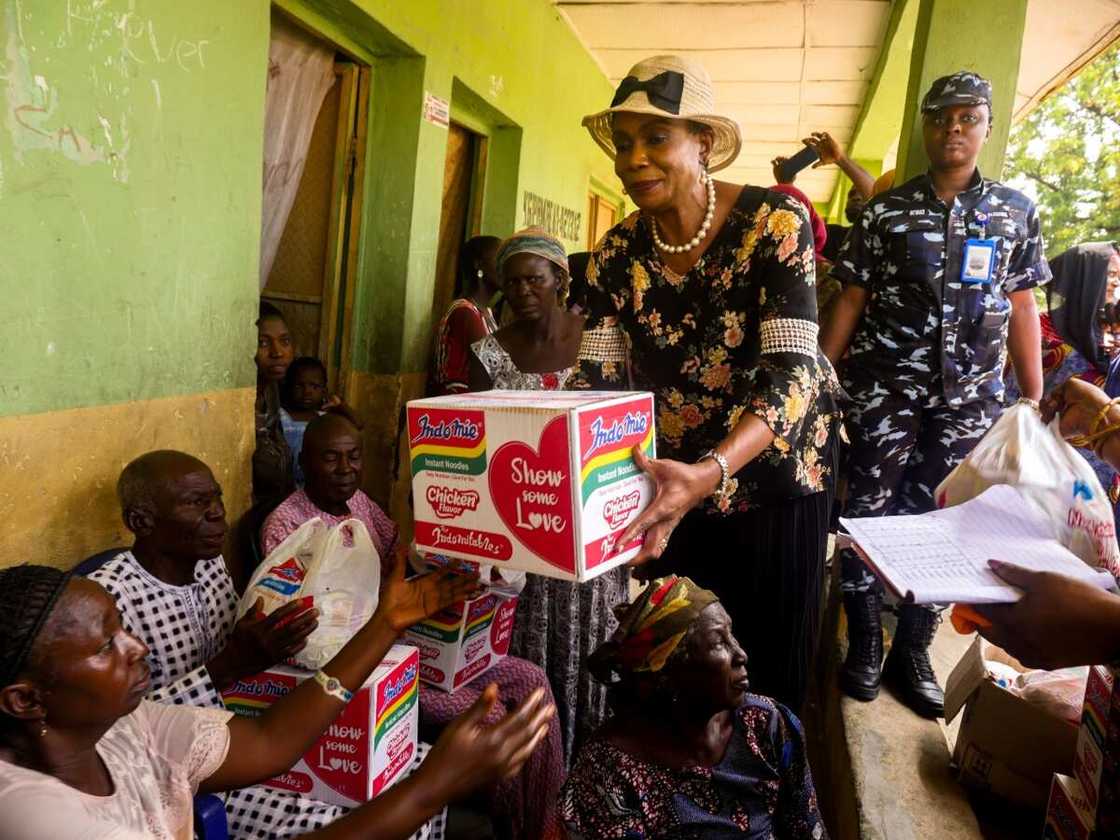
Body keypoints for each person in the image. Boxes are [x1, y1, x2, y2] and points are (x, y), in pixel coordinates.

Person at [578, 54, 842, 712]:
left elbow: (794, 372)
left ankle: (766, 807)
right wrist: (597, 500)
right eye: (624, 141)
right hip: (673, 486)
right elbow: (601, 388)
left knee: (765, 676)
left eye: (655, 138)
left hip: (772, 479)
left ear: (702, 142)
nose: (632, 158)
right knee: (677, 670)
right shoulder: (614, 255)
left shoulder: (774, 224)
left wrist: (712, 471)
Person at [0, 559, 555, 839]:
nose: (137, 646)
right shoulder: (32, 813)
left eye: (123, 628)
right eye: (105, 645)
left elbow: (268, 742)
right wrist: (432, 787)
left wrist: (386, 624)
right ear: (26, 700)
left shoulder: (124, 726)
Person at [820, 71, 1050, 718]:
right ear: (925, 126)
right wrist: (819, 376)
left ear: (986, 127)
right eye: (941, 117)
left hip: (970, 399)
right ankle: (865, 641)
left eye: (967, 117)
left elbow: (1023, 302)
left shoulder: (1015, 210)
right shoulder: (887, 211)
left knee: (946, 521)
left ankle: (912, 649)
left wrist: (1032, 398)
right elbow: (852, 297)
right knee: (868, 512)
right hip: (885, 390)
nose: (953, 128)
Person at [89, 449, 448, 839]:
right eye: (196, 503)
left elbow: (245, 656)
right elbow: (115, 734)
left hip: (254, 728)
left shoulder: (208, 563)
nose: (217, 514)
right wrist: (229, 666)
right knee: (377, 820)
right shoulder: (110, 599)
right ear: (141, 521)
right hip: (194, 775)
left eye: (217, 499)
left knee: (427, 765)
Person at [261, 412, 566, 839]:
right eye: (331, 458)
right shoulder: (289, 525)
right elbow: (299, 622)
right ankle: (509, 827)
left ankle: (544, 816)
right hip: (359, 663)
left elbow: (397, 556)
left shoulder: (361, 505)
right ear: (305, 461)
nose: (346, 469)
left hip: (403, 639)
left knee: (533, 683)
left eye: (353, 457)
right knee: (495, 717)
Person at [467, 229, 631, 766]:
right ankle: (534, 767)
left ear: (560, 280)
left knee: (590, 641)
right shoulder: (489, 353)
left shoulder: (602, 339)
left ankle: (591, 766)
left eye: (534, 279)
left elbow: (627, 427)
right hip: (521, 533)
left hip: (589, 537)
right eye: (511, 282)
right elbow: (477, 441)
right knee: (527, 645)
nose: (521, 291)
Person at [560, 576, 827, 839]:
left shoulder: (767, 725)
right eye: (718, 642)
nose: (740, 654)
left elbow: (807, 828)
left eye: (730, 634)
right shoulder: (608, 770)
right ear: (669, 674)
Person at [1005, 242, 1120, 528]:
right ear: (1085, 278)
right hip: (1047, 465)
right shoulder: (1038, 332)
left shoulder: (1109, 328)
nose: (1117, 283)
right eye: (1111, 274)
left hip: (1107, 462)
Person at [771, 130, 876, 265]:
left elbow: (876, 200)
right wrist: (786, 185)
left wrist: (841, 159)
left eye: (860, 193)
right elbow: (798, 237)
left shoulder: (880, 239)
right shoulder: (832, 234)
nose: (855, 198)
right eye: (851, 195)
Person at [429, 235, 502, 396]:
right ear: (478, 265)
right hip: (458, 410)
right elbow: (496, 368)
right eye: (499, 259)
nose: (505, 266)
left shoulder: (485, 312)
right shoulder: (465, 313)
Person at [254, 302, 296, 507]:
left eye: (285, 341)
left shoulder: (271, 388)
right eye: (263, 343)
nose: (277, 352)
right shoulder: (241, 401)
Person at [281, 356, 330, 487]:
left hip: (316, 487)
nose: (307, 392)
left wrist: (342, 406)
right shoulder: (280, 417)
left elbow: (358, 424)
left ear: (324, 391)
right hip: (283, 487)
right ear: (289, 387)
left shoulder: (326, 419)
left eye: (314, 386)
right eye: (299, 386)